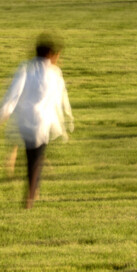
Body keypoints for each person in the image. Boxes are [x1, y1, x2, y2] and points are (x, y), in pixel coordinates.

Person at [0, 38, 73, 208]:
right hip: (42, 123)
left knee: (32, 156)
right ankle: (31, 195)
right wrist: (65, 119)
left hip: (25, 122)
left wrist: (3, 114)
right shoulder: (54, 74)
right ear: (50, 54)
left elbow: (13, 96)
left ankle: (33, 189)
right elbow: (60, 99)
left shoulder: (25, 69)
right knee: (36, 158)